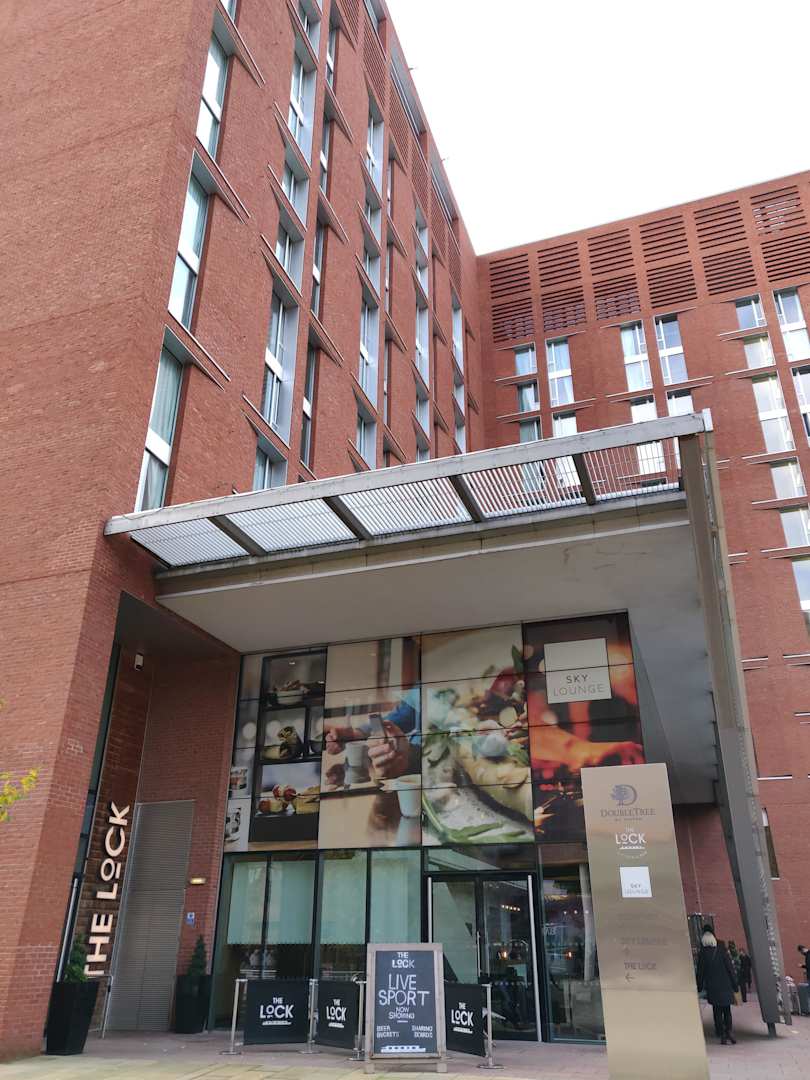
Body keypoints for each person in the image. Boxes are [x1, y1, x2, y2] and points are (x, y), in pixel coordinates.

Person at [696, 927, 738, 1045]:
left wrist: (699, 986)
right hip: (725, 985)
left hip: (713, 987)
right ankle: (729, 1031)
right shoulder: (721, 948)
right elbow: (730, 968)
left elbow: (700, 972)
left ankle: (721, 1033)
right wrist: (735, 984)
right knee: (727, 1010)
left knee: (717, 1011)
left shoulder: (703, 952)